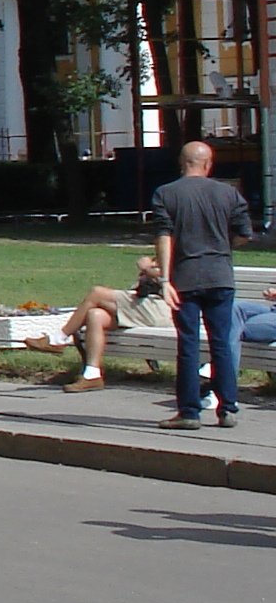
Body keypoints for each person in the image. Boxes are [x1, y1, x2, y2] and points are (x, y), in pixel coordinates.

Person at [150, 138, 253, 427]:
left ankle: (189, 412)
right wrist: (223, 245)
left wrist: (166, 279)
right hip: (220, 276)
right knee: (221, 342)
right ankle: (228, 407)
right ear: (208, 165)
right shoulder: (229, 194)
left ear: (182, 164)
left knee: (189, 343)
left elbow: (164, 236)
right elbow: (245, 234)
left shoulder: (166, 194)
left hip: (185, 278)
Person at [60, 257, 171, 388]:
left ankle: (58, 339)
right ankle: (92, 375)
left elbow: (175, 276)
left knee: (97, 293)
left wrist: (147, 269)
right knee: (95, 316)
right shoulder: (160, 257)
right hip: (145, 309)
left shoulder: (184, 252)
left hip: (162, 311)